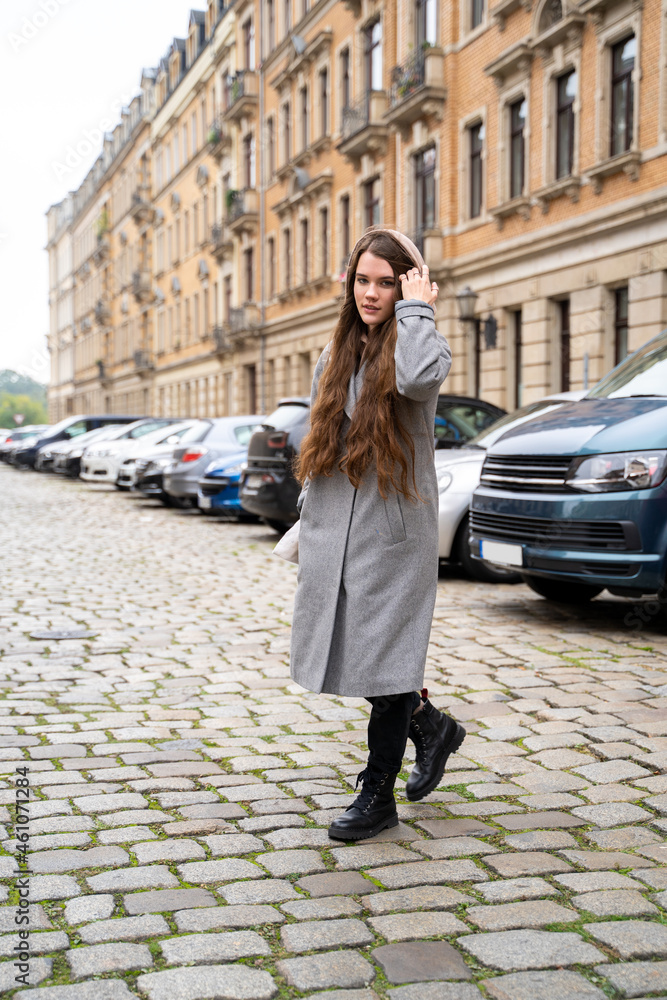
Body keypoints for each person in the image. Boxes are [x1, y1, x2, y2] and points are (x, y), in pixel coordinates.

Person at [291, 227, 466, 841]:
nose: (371, 293)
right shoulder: (334, 355)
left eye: (386, 282)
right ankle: (432, 726)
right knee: (351, 651)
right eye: (363, 279)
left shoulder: (424, 345)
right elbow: (323, 442)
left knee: (387, 666)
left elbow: (418, 381)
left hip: (395, 535)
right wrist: (307, 516)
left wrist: (419, 308)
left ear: (406, 287)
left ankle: (377, 794)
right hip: (336, 531)